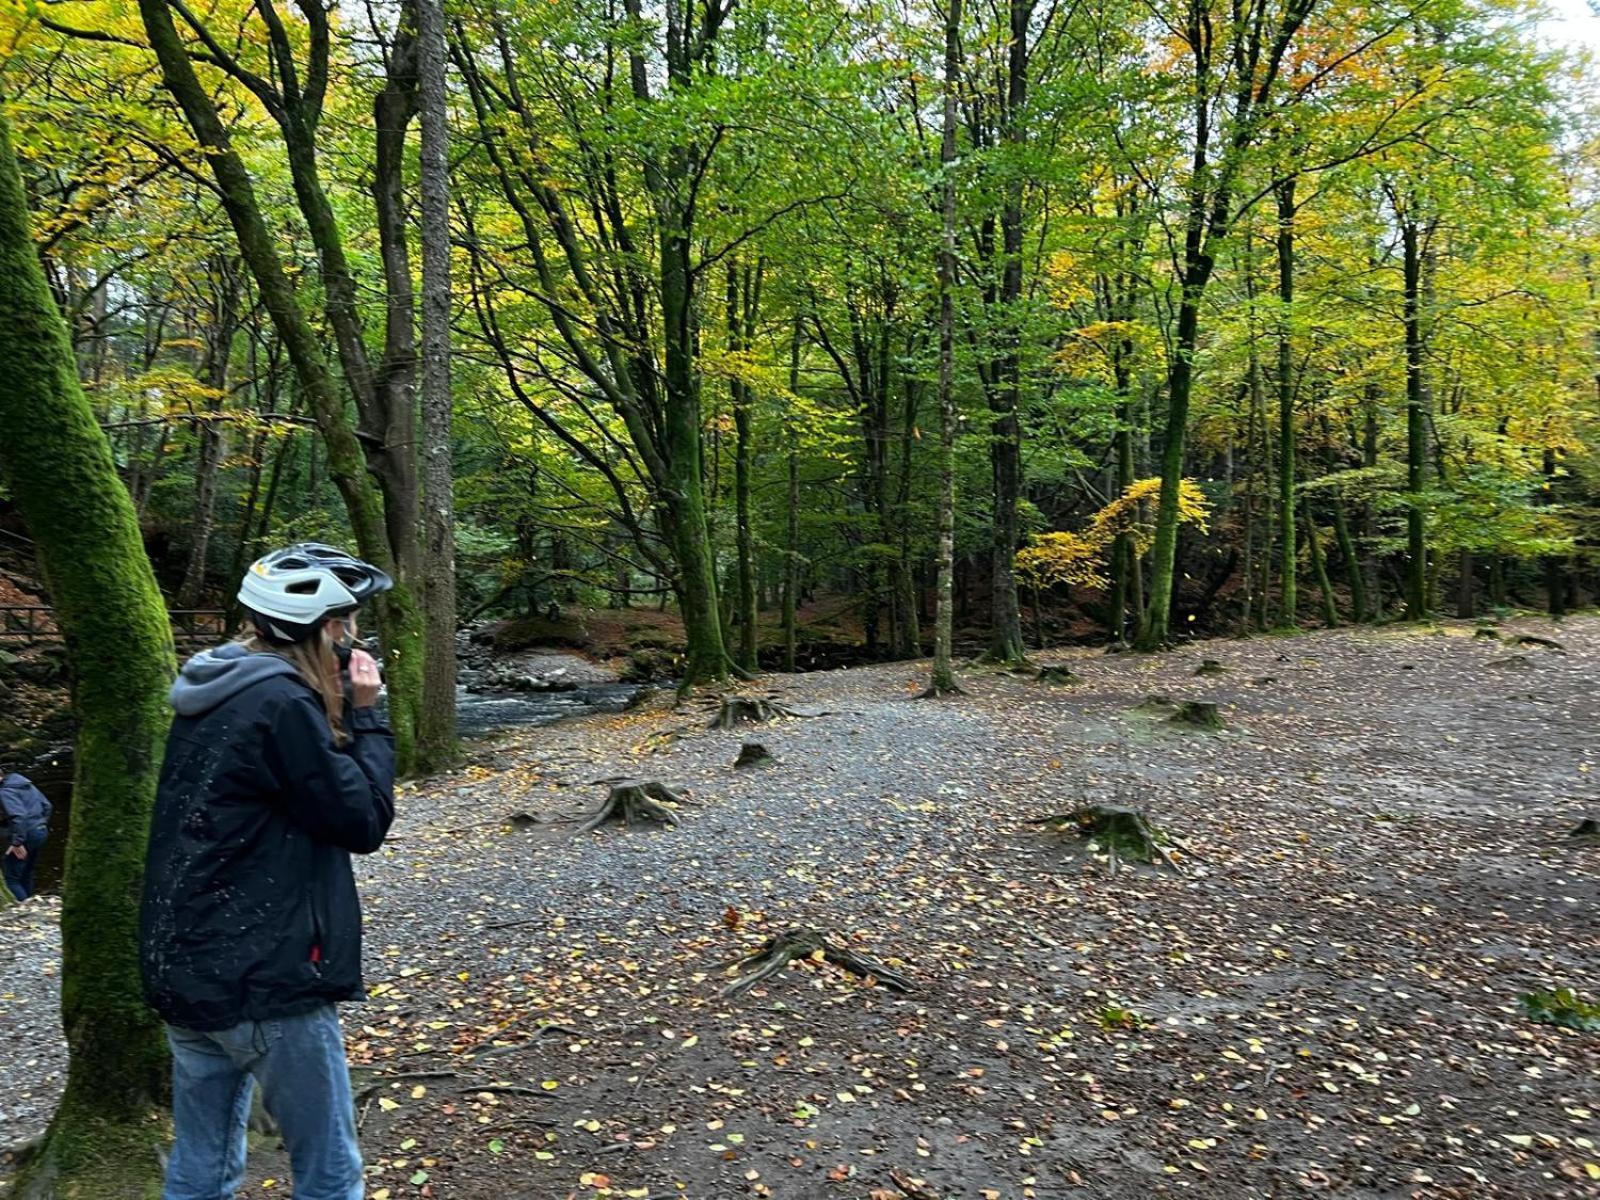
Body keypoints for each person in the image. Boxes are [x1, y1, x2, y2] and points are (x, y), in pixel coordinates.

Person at [139, 543, 397, 1200]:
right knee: (329, 1173)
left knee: (203, 1165)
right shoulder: (281, 707)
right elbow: (362, 821)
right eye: (348, 624)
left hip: (186, 968)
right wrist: (367, 716)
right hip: (266, 979)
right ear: (323, 629)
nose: (354, 638)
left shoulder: (214, 687)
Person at [2, 769, 51, 901]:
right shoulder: (22, 782)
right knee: (26, 873)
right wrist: (39, 825)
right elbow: (47, 806)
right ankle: (29, 901)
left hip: (25, 835)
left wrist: (17, 842)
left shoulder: (5, 791)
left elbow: (19, 816)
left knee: (11, 879)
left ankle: (24, 908)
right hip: (41, 831)